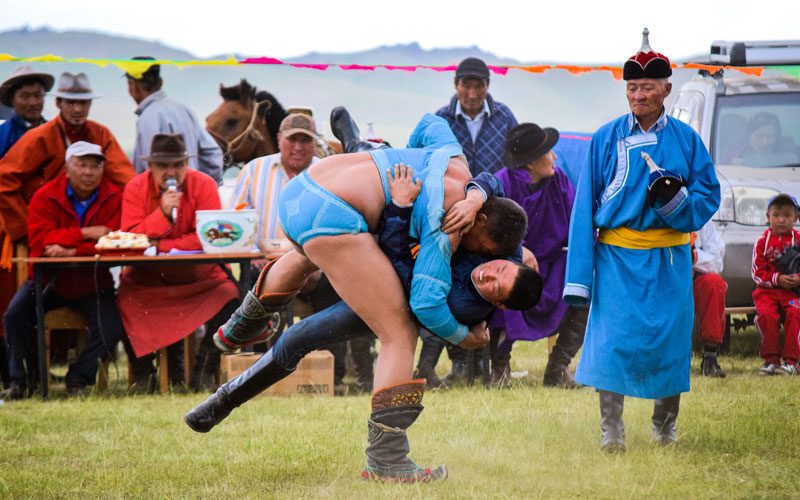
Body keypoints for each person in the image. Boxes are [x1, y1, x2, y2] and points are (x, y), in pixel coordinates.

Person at [204, 113, 528, 482]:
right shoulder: (446, 227)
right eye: (481, 247)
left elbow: (428, 122)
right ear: (479, 219)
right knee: (399, 334)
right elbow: (424, 304)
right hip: (335, 216)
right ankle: (387, 458)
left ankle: (240, 327)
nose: (477, 253)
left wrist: (414, 166)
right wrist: (461, 337)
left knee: (307, 256)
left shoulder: (454, 159)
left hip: (301, 192)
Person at [564, 29, 720, 452]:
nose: (639, 94)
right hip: (616, 259)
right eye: (632, 86)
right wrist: (579, 279)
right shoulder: (604, 137)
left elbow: (709, 194)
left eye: (648, 86)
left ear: (667, 88)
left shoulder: (687, 140)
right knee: (611, 342)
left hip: (669, 260)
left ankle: (664, 425)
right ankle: (610, 427)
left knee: (669, 343)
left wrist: (677, 203)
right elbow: (583, 213)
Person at [116, 134, 240, 392]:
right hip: (147, 279)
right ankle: (144, 372)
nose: (171, 172)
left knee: (231, 296)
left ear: (187, 164)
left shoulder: (204, 184)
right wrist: (161, 213)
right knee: (122, 300)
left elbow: (209, 237)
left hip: (199, 277)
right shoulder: (135, 188)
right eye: (163, 166)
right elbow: (130, 239)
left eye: (178, 165)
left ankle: (204, 367)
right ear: (150, 167)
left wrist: (160, 245)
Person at [1, 142, 124, 399]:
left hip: (93, 283)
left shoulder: (113, 196)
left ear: (102, 169)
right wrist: (85, 234)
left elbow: (112, 244)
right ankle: (19, 381)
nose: (89, 172)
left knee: (112, 327)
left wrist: (70, 250)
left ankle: (78, 377)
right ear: (67, 168)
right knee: (13, 316)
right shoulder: (45, 196)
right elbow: (40, 243)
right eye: (82, 165)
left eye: (95, 165)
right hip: (49, 281)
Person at [432, 56, 519, 383]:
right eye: (466, 84)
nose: (472, 92)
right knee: (457, 281)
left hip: (493, 215)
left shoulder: (504, 116)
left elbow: (515, 162)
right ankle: (459, 362)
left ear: (487, 86)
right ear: (456, 85)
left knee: (496, 282)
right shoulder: (442, 119)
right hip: (453, 213)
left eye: (478, 85)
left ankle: (495, 362)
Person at [488, 123, 588, 388]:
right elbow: (489, 234)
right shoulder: (502, 184)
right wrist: (518, 249)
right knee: (502, 282)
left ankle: (558, 368)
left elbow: (578, 222)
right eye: (549, 152)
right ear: (531, 163)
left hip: (551, 267)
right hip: (509, 263)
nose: (554, 157)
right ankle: (499, 368)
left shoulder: (559, 181)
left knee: (586, 283)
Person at [125, 57, 223, 182]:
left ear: (133, 85)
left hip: (164, 197)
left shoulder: (147, 118)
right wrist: (204, 187)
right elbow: (212, 153)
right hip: (195, 196)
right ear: (160, 82)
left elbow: (148, 170)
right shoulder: (184, 109)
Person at [751, 193, 800, 376]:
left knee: (796, 313)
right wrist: (777, 279)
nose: (781, 219)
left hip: (793, 294)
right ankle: (771, 360)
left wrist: (797, 279)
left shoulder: (799, 241)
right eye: (776, 215)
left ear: (796, 218)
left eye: (787, 215)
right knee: (767, 316)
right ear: (767, 217)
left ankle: (791, 362)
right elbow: (757, 272)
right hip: (766, 292)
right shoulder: (762, 242)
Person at [692, 221, 728, 378]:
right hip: (663, 281)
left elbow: (717, 262)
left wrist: (694, 257)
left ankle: (710, 357)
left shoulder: (702, 219)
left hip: (692, 282)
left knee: (714, 284)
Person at [0, 65, 54, 158]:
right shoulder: (2, 134)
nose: (33, 103)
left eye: (38, 95)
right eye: (25, 96)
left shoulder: (56, 132)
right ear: (12, 99)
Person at [734, 112, 799, 167]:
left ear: (777, 138)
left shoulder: (790, 155)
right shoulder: (734, 153)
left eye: (770, 137)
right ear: (748, 136)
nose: (765, 142)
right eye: (759, 136)